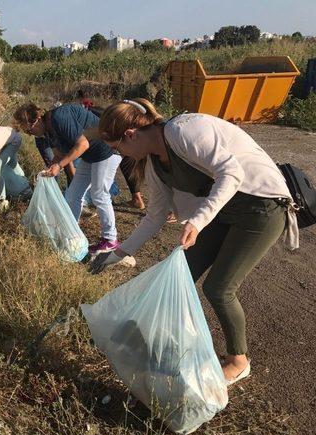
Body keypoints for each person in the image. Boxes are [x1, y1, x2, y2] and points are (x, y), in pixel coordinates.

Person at [95, 98, 298, 384]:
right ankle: (163, 343)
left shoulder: (184, 131)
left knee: (219, 288)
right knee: (177, 275)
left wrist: (198, 220)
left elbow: (232, 173)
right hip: (225, 211)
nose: (122, 156)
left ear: (130, 135)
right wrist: (117, 253)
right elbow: (154, 218)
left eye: (119, 149)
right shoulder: (154, 164)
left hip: (262, 207)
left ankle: (239, 360)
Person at [14, 102, 123, 254]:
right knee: (72, 195)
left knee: (99, 195)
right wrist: (50, 168)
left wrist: (59, 166)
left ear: (37, 119)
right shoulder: (47, 132)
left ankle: (110, 240)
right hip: (90, 156)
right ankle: (71, 233)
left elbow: (82, 144)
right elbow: (58, 155)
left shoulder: (59, 118)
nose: (30, 134)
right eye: (27, 133)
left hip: (106, 151)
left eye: (30, 130)